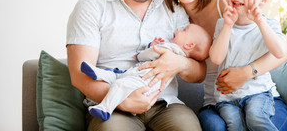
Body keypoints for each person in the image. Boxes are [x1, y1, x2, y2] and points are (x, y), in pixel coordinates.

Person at [66, 0, 205, 131]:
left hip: (164, 105)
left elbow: (200, 72)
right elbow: (80, 75)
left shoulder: (174, 8)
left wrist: (180, 63)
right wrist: (123, 100)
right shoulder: (91, 6)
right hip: (113, 103)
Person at [160, 0, 287, 131]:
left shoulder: (227, 5)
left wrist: (248, 72)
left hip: (258, 96)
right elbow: (198, 71)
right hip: (219, 102)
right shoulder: (171, 22)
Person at [210, 0, 286, 130]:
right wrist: (228, 25)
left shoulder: (269, 25)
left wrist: (259, 20)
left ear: (263, 0)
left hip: (258, 94)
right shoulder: (223, 23)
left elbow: (280, 52)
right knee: (234, 126)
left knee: (256, 119)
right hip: (226, 99)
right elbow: (216, 58)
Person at [80, 23, 211, 121]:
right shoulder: (176, 52)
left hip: (141, 82)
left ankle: (105, 108)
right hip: (143, 83)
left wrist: (146, 50)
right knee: (118, 77)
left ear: (189, 45)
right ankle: (98, 73)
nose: (178, 29)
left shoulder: (169, 47)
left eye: (183, 30)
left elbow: (145, 55)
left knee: (119, 83)